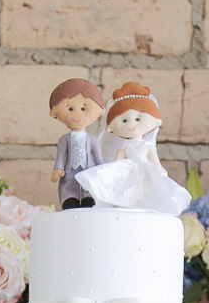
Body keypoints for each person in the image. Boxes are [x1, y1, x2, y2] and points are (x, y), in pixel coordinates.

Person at [74, 82, 191, 215]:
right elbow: (118, 162)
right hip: (127, 172)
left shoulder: (147, 145)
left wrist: (159, 169)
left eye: (138, 119)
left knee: (147, 191)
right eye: (124, 120)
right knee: (125, 193)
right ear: (111, 128)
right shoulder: (124, 146)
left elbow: (155, 161)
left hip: (145, 171)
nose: (131, 125)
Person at [49, 78, 106, 210]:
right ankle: (70, 198)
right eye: (70, 109)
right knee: (69, 183)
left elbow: (98, 158)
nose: (77, 114)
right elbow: (60, 156)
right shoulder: (64, 139)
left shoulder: (93, 140)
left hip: (89, 170)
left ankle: (89, 197)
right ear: (54, 112)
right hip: (69, 170)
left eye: (83, 108)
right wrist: (58, 168)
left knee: (89, 184)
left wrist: (102, 171)